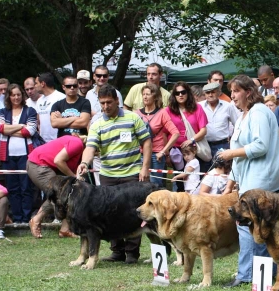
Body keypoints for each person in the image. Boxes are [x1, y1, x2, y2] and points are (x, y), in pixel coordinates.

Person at [219, 74, 279, 288]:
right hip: (247, 180)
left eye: (236, 91)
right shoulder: (244, 116)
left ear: (248, 92)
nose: (232, 96)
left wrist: (230, 153)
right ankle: (259, 272)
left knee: (250, 226)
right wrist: (232, 181)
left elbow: (260, 146)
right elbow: (241, 156)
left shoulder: (258, 113)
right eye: (231, 91)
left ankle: (248, 274)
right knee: (254, 227)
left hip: (261, 181)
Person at [77, 84, 152, 264]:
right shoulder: (97, 124)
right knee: (109, 215)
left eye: (109, 102)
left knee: (135, 214)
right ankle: (117, 252)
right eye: (102, 103)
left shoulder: (133, 118)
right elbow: (90, 147)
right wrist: (84, 163)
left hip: (132, 173)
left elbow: (147, 142)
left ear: (117, 100)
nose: (105, 106)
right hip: (108, 175)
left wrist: (145, 167)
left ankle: (132, 254)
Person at [27, 135, 84, 238]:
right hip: (39, 165)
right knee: (61, 194)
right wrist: (74, 177)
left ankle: (65, 229)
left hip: (44, 165)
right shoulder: (78, 143)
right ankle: (37, 220)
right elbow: (58, 161)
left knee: (69, 193)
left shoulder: (78, 147)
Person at [0, 84, 37, 225]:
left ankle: (26, 218)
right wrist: (21, 126)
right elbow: (0, 128)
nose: (16, 97)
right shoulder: (2, 111)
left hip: (26, 154)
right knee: (12, 188)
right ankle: (17, 218)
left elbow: (29, 132)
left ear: (22, 95)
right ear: (9, 96)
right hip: (7, 155)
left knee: (26, 187)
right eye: (13, 95)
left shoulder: (30, 111)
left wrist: (10, 129)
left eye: (18, 94)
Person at [135, 83, 180, 186]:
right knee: (140, 184)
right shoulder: (136, 113)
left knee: (155, 185)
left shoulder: (162, 113)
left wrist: (163, 152)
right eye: (143, 94)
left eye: (148, 94)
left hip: (156, 155)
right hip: (140, 154)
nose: (145, 97)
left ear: (155, 96)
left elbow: (176, 133)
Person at [165, 81, 209, 177]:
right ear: (174, 95)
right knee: (180, 181)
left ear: (188, 93)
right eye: (177, 93)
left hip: (194, 149)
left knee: (197, 180)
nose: (180, 95)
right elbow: (164, 133)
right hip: (176, 151)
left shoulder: (197, 107)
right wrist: (167, 153)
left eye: (183, 92)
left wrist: (191, 140)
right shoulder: (167, 110)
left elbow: (203, 130)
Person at [200, 82, 238, 163]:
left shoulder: (228, 106)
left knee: (223, 172)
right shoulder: (199, 106)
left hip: (222, 145)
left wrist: (233, 141)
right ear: (204, 94)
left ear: (218, 92)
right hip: (204, 145)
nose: (210, 95)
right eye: (207, 92)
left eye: (213, 92)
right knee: (204, 172)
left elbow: (237, 124)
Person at [35, 72, 65, 142]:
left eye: (36, 83)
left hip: (58, 140)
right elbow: (38, 121)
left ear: (42, 84)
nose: (35, 86)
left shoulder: (61, 97)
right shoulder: (39, 100)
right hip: (43, 141)